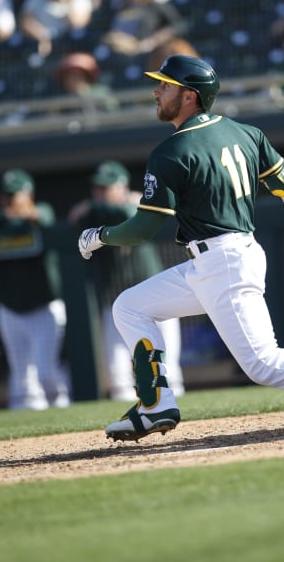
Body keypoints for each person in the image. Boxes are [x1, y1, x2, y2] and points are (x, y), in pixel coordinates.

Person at [77, 53, 284, 442]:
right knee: (130, 306)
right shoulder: (247, 133)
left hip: (223, 263)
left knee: (263, 365)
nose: (156, 91)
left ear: (189, 97)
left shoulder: (172, 151)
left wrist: (99, 235)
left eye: (165, 85)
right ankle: (156, 404)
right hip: (220, 259)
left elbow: (142, 229)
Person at [68, 160, 184, 400]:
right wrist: (95, 205)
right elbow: (74, 218)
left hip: (156, 298)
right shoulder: (92, 212)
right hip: (116, 300)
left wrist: (118, 201)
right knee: (118, 373)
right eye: (97, 188)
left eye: (106, 188)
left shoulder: (137, 204)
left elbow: (127, 213)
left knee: (168, 367)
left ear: (121, 187)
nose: (100, 193)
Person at [0, 169, 70, 410]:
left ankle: (65, 413)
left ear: (28, 195)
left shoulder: (41, 212)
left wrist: (14, 218)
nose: (9, 200)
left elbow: (44, 217)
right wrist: (7, 218)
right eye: (6, 195)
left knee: (46, 373)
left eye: (14, 194)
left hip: (43, 307)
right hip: (10, 308)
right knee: (21, 378)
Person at [53, 51, 118, 110]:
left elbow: (112, 113)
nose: (74, 79)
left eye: (78, 75)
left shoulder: (102, 92)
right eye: (69, 77)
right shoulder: (61, 99)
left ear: (86, 77)